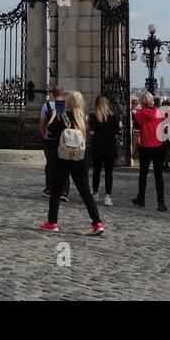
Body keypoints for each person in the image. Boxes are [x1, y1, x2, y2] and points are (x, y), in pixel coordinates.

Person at [39, 91, 104, 235]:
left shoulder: (63, 116)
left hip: (63, 157)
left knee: (56, 190)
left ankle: (52, 222)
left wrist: (54, 116)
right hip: (80, 157)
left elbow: (49, 131)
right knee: (85, 192)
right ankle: (97, 222)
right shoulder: (85, 118)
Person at [132, 90, 170, 211]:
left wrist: (133, 149)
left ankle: (141, 198)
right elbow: (166, 129)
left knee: (143, 174)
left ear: (141, 102)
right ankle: (161, 202)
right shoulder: (160, 113)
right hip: (159, 146)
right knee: (158, 175)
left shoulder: (138, 115)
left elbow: (136, 134)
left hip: (145, 147)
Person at [39, 85, 70, 200]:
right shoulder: (67, 105)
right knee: (65, 165)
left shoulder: (47, 105)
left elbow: (42, 124)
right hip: (64, 140)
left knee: (50, 164)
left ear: (52, 94)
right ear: (63, 94)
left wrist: (44, 136)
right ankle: (63, 191)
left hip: (50, 140)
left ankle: (49, 189)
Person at [89, 94, 119, 206]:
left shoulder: (93, 116)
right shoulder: (113, 116)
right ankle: (108, 196)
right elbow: (116, 131)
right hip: (110, 146)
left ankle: (95, 192)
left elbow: (91, 132)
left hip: (98, 146)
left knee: (96, 171)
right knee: (108, 173)